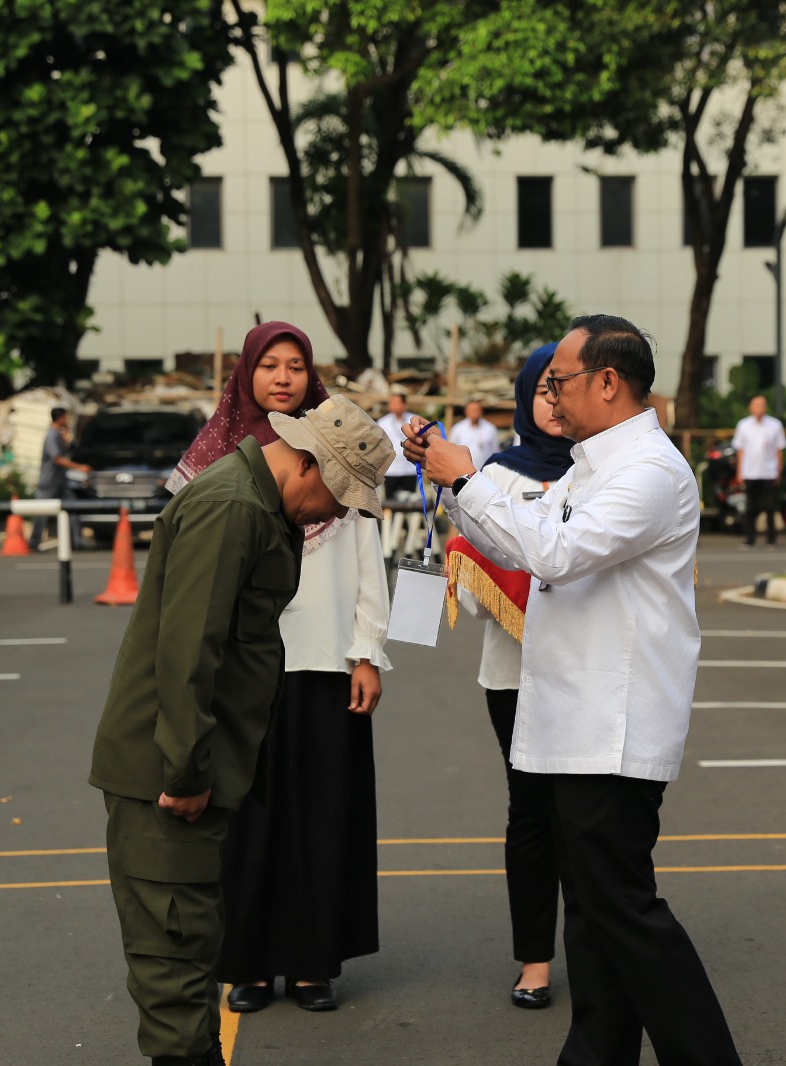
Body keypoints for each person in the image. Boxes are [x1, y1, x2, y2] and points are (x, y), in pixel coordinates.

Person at [401, 314, 742, 1066]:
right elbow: (524, 530)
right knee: (591, 918)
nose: (550, 396)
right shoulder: (596, 463)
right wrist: (455, 486)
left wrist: (467, 475)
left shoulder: (649, 470)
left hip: (611, 729)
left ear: (609, 382)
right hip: (574, 722)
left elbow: (555, 552)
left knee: (623, 913)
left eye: (560, 380)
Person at [89, 395, 391, 1066]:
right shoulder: (232, 509)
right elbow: (187, 654)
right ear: (307, 465)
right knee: (175, 958)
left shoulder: (258, 506)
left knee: (193, 946)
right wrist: (188, 773)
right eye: (340, 497)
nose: (338, 514)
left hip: (196, 764)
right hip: (169, 774)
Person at [162, 323, 391, 1017]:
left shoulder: (337, 447)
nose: (284, 379)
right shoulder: (214, 461)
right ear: (245, 376)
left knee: (322, 819)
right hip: (242, 675)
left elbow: (368, 563)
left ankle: (314, 963)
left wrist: (367, 652)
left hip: (324, 664)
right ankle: (250, 965)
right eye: (270, 366)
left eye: (296, 366)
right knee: (249, 823)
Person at [456, 343, 576, 1009]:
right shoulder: (493, 478)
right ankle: (534, 959)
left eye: (565, 388)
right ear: (525, 399)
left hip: (589, 674)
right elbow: (475, 602)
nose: (554, 403)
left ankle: (597, 949)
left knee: (588, 818)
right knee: (531, 814)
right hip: (515, 676)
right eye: (543, 390)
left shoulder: (604, 473)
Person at [26, 407, 92, 551]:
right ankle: (33, 542)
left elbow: (66, 451)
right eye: (65, 417)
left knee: (73, 508)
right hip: (49, 481)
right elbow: (57, 459)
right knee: (41, 512)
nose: (67, 420)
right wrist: (79, 467)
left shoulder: (58, 435)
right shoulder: (51, 436)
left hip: (60, 481)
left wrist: (66, 437)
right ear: (60, 418)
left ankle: (77, 541)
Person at [732, 393, 786, 548]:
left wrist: (779, 470)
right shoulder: (743, 425)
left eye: (762, 405)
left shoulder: (775, 425)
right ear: (750, 407)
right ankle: (750, 539)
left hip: (769, 471)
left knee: (770, 507)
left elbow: (779, 450)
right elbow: (740, 450)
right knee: (751, 507)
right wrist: (739, 472)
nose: (759, 408)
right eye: (756, 405)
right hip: (750, 471)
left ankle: (771, 539)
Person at [377, 391, 419, 498]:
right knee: (390, 502)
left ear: (404, 405)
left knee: (410, 501)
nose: (393, 405)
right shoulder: (383, 422)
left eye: (396, 402)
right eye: (392, 402)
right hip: (391, 469)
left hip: (409, 468)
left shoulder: (413, 420)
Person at [449, 399, 500, 470]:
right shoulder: (457, 429)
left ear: (481, 411)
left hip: (485, 471)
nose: (474, 412)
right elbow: (451, 451)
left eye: (476, 410)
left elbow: (495, 451)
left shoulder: (490, 428)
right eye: (471, 410)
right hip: (463, 471)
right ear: (466, 411)